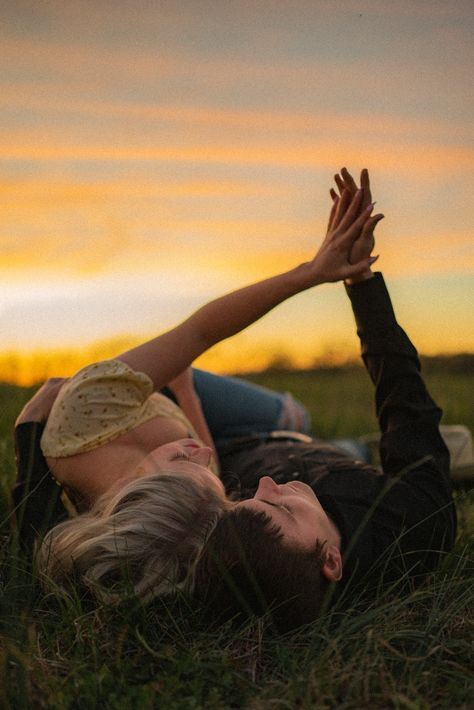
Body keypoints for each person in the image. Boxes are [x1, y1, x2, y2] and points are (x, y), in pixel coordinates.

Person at [12, 169, 381, 603]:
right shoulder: (181, 525)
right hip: (181, 403)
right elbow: (209, 465)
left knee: (294, 415)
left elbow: (200, 333)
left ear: (138, 489)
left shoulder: (85, 409)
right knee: (331, 453)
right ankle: (355, 448)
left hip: (148, 395)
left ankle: (311, 433)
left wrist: (313, 272)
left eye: (190, 467)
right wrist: (188, 407)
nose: (205, 454)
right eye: (213, 484)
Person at [191, 169, 458, 633]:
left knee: (157, 377)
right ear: (331, 561)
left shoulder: (235, 547)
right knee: (387, 453)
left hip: (211, 443)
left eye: (249, 500)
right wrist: (362, 279)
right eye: (280, 507)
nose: (267, 485)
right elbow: (402, 392)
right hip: (298, 438)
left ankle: (361, 448)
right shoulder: (416, 524)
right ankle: (379, 450)